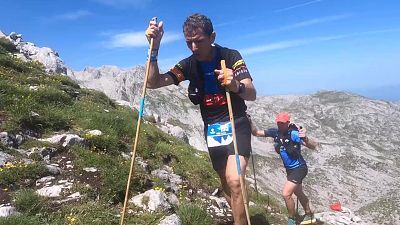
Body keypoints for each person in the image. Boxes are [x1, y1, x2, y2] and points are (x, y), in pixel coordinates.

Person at [145, 13, 257, 225]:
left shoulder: (230, 56)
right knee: (225, 183)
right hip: (213, 129)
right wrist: (154, 48)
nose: (194, 48)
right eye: (189, 43)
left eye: (199, 41)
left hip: (237, 122)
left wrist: (235, 86)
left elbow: (251, 92)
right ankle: (238, 217)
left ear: (212, 36)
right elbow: (154, 82)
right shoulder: (188, 65)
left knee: (235, 181)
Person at [249, 112, 317, 225]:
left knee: (286, 194)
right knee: (299, 192)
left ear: (288, 123)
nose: (280, 125)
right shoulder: (275, 132)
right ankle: (309, 214)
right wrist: (249, 121)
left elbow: (313, 146)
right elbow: (256, 133)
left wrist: (305, 138)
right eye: (278, 123)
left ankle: (292, 219)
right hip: (290, 170)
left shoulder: (294, 134)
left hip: (299, 168)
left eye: (283, 123)